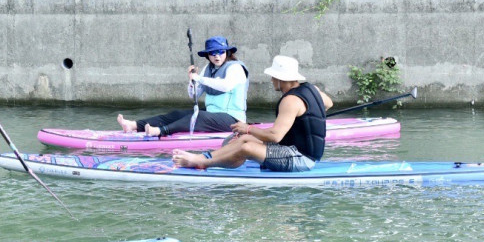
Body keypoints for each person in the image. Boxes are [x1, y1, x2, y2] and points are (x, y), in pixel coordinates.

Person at [173, 55, 332, 172]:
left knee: (247, 147)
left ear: (279, 78)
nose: (271, 81)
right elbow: (328, 104)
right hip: (292, 149)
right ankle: (203, 158)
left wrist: (247, 128)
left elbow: (275, 136)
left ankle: (198, 162)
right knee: (244, 139)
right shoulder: (313, 89)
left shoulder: (290, 100)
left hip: (300, 158)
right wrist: (304, 121)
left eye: (272, 77)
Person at [117, 36, 248, 137]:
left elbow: (226, 86)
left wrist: (199, 78)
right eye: (213, 53)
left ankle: (159, 131)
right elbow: (193, 94)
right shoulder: (208, 69)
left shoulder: (235, 67)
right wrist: (192, 81)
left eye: (220, 51)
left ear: (227, 52)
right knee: (178, 114)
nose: (217, 56)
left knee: (199, 116)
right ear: (208, 55)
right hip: (212, 115)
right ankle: (133, 125)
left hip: (233, 120)